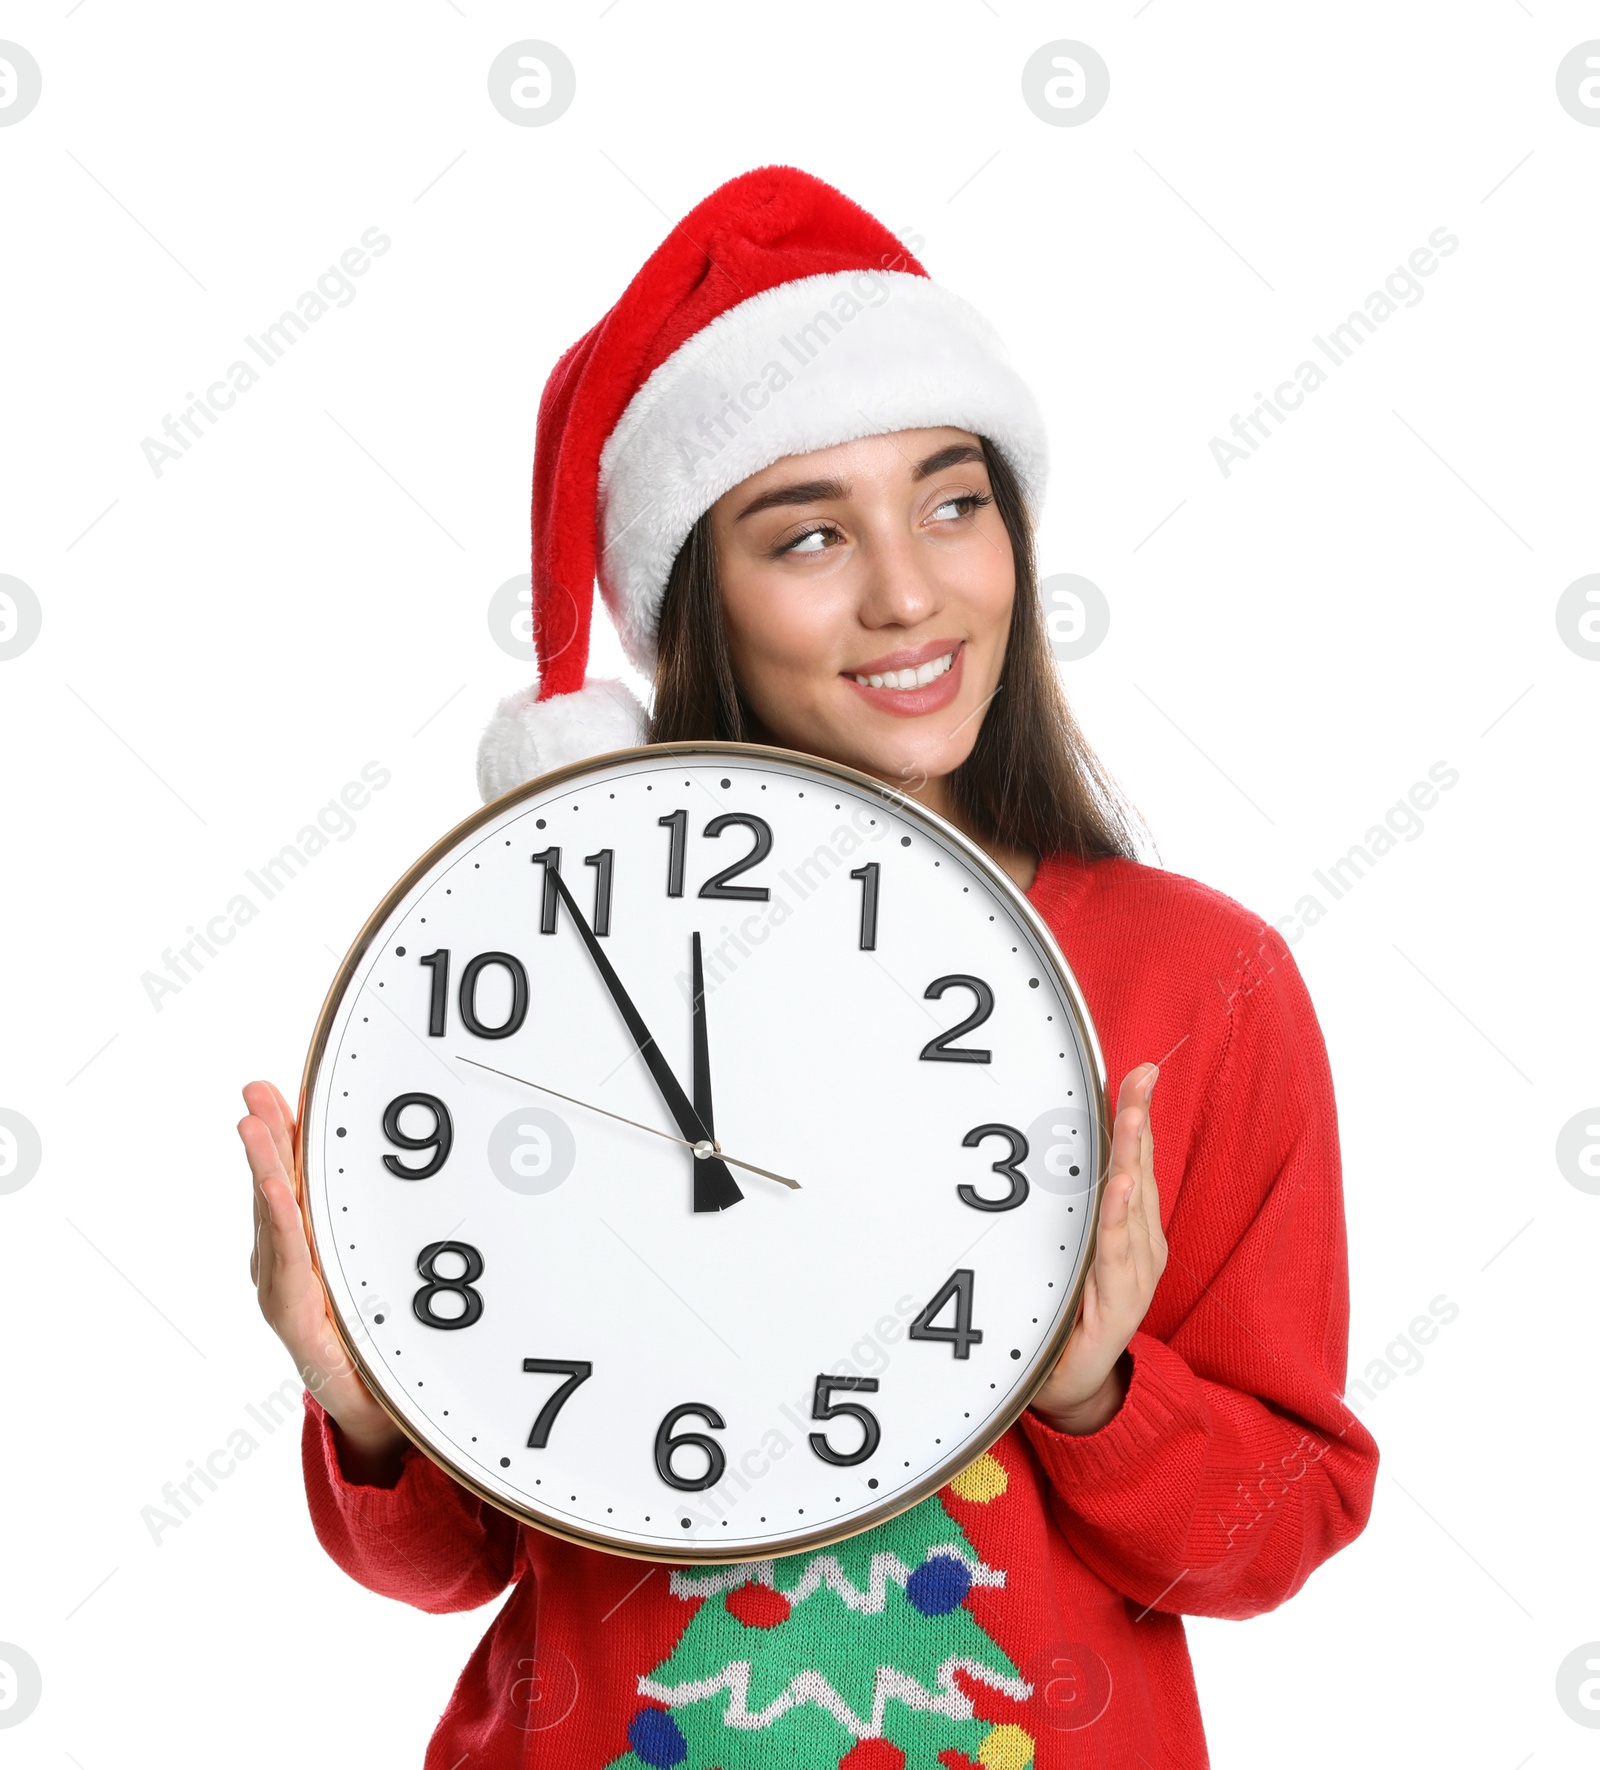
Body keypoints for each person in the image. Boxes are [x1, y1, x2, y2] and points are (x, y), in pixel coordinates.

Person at [239, 166, 1378, 1769]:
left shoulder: (1205, 979)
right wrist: (367, 1401)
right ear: (701, 595)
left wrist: (1094, 1394)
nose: (909, 590)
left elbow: (1273, 1533)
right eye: (811, 534)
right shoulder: (543, 970)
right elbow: (449, 1563)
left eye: (953, 499)